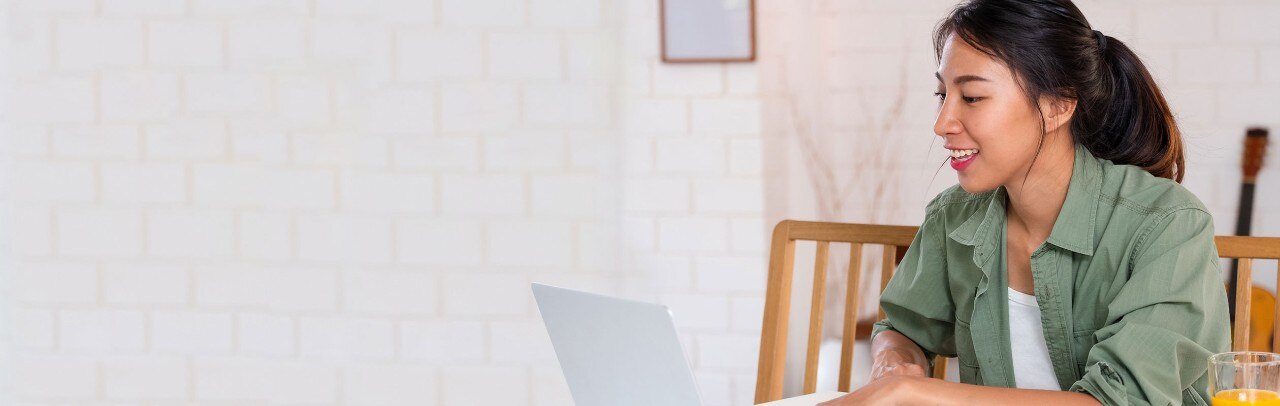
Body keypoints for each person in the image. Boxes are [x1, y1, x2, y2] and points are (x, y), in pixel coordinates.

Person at [817, 0, 1230, 405]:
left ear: (1058, 105)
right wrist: (895, 363)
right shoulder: (954, 216)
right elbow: (905, 327)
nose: (942, 123)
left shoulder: (1167, 224)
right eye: (942, 94)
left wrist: (914, 392)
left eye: (973, 97)